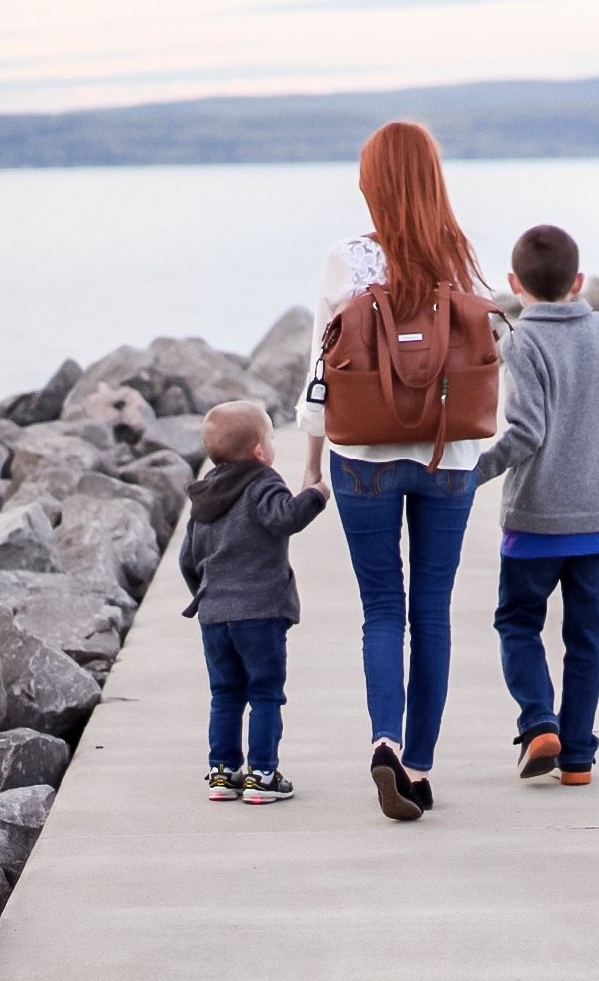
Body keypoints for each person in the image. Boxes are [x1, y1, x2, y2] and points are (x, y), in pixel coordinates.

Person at [297, 120, 494, 822]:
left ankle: (384, 736)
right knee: (431, 611)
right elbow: (487, 359)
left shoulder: (346, 259)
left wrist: (313, 464)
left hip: (364, 457)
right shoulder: (462, 258)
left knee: (381, 607)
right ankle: (417, 765)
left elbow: (321, 370)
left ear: (372, 182)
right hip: (448, 456)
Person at [475, 225, 599, 786]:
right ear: (578, 281)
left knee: (518, 621)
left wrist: (473, 471)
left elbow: (525, 432)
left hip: (536, 519)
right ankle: (576, 758)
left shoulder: (521, 341)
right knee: (586, 635)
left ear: (513, 284)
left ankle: (538, 720)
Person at [178, 400, 327, 804]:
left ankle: (223, 773)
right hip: (259, 613)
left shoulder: (206, 494)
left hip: (214, 616)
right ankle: (261, 775)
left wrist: (206, 594)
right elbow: (284, 519)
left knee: (225, 693)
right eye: (271, 436)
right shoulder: (263, 481)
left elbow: (187, 559)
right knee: (264, 694)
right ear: (260, 450)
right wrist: (314, 495)